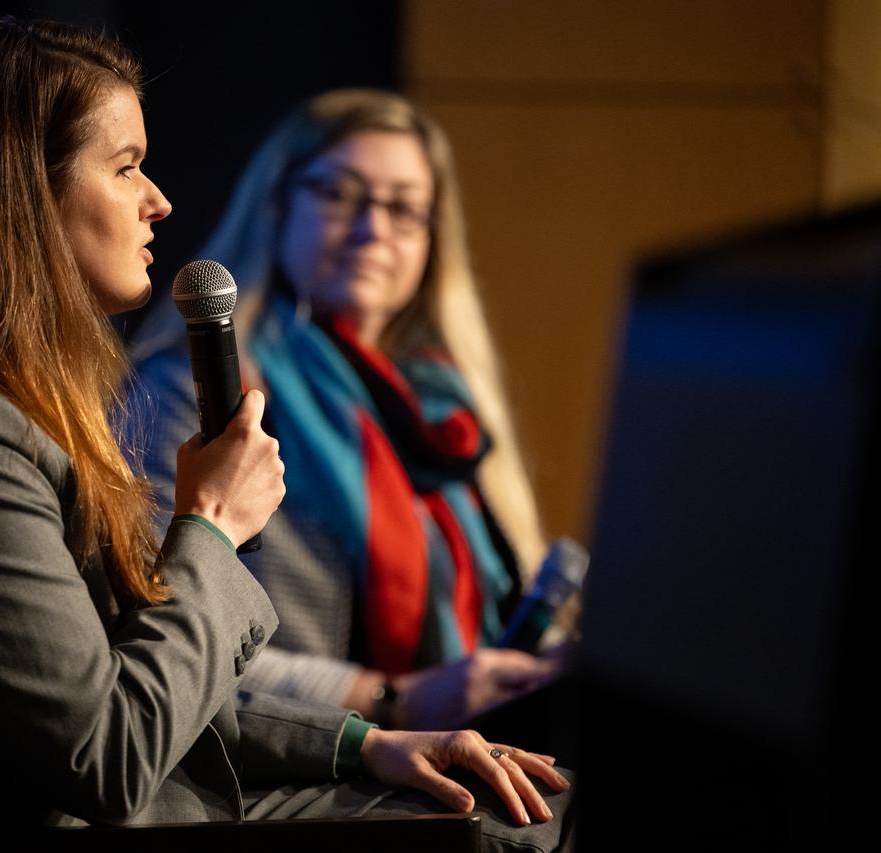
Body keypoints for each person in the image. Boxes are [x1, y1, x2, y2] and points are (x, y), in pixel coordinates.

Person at [0, 17, 572, 844]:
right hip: (116, 812)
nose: (159, 200)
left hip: (147, 789)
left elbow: (139, 689)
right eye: (127, 167)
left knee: (529, 799)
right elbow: (106, 755)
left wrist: (364, 744)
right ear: (22, 193)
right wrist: (211, 528)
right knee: (527, 825)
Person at [133, 89, 579, 734]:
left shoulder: (442, 406)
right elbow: (162, 644)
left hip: (475, 753)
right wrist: (392, 698)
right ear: (278, 204)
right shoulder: (195, 391)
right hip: (306, 780)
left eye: (404, 209)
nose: (374, 228)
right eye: (341, 195)